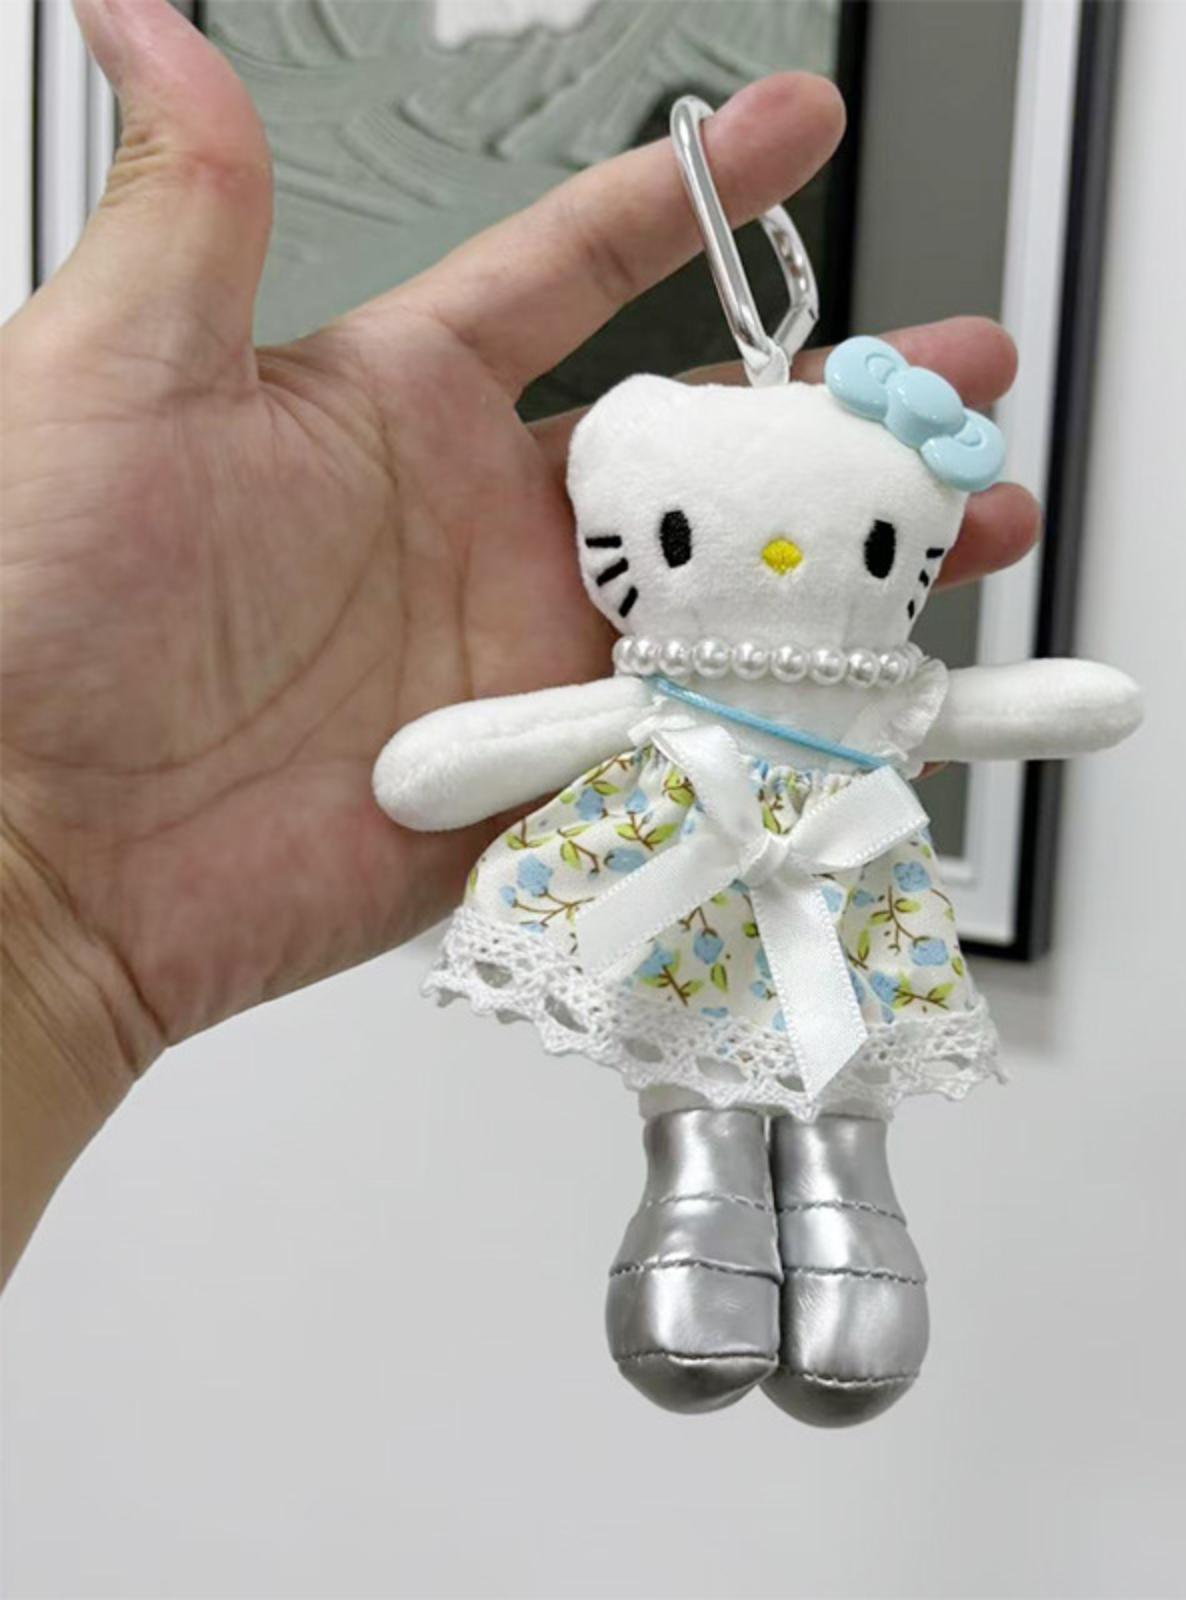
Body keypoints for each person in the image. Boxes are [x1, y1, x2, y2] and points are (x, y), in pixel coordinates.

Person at [0, 0, 1039, 1284]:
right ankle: (706, 1214)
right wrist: (31, 880)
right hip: (725, 890)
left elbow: (1007, 708)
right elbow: (450, 766)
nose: (779, 563)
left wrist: (37, 902)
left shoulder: (847, 697)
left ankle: (851, 1225)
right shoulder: (663, 702)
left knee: (852, 1081)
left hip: (841, 888)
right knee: (693, 1078)